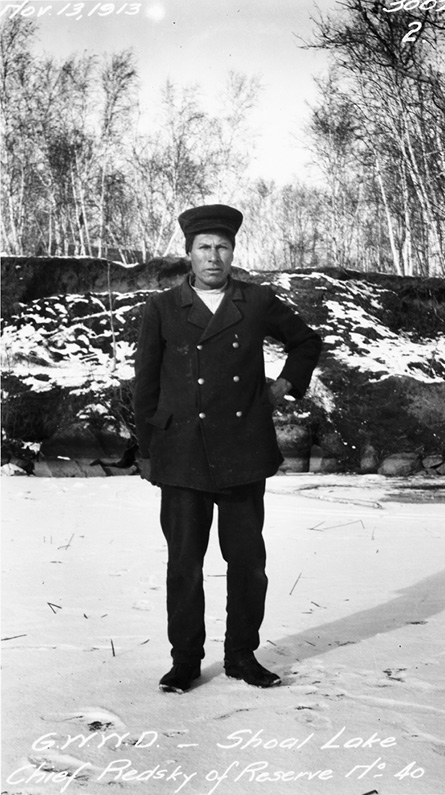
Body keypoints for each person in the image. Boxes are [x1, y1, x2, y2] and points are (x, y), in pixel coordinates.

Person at [133, 204, 322, 694]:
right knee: (183, 565)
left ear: (233, 251)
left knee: (247, 563)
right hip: (181, 454)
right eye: (204, 248)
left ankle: (241, 654)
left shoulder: (255, 301)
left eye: (222, 247)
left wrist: (283, 387)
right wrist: (147, 450)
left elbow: (306, 342)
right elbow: (145, 386)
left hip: (242, 450)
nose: (213, 256)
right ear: (188, 254)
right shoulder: (161, 308)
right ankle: (185, 661)